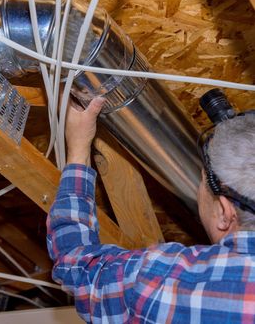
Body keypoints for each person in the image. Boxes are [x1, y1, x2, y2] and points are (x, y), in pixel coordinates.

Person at [46, 97, 255, 323]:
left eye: (202, 181)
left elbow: (75, 269)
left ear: (225, 214)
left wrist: (78, 149)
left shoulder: (167, 285)